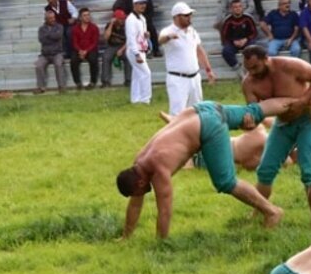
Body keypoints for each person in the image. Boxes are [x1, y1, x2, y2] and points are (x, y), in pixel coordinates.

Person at [115, 98, 295, 239]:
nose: (139, 195)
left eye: (138, 191)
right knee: (254, 111)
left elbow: (165, 210)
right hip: (202, 108)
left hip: (207, 125)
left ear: (139, 182)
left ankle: (272, 212)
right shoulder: (139, 162)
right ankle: (300, 100)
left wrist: (161, 242)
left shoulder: (157, 169)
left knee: (225, 181)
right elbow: (135, 204)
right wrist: (126, 236)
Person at [241, 45, 311, 228]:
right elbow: (254, 111)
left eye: (255, 67)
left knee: (310, 172)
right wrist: (250, 121)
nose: (251, 73)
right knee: (265, 170)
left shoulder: (291, 65)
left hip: (308, 120)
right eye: (248, 69)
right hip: (282, 124)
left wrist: (304, 100)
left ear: (266, 59)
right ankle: (260, 210)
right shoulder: (249, 83)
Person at [159, 2, 215, 116]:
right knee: (177, 113)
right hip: (177, 78)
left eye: (190, 15)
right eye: (186, 15)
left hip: (194, 77)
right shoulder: (168, 31)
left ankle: (194, 133)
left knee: (197, 111)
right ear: (176, 17)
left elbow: (199, 50)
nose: (189, 18)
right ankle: (175, 134)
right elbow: (160, 40)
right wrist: (169, 37)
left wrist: (208, 70)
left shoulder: (192, 31)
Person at [126, 0, 153, 104]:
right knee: (146, 73)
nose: (143, 6)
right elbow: (131, 38)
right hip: (135, 51)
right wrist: (136, 54)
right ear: (134, 5)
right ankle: (145, 99)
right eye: (140, 3)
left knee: (137, 75)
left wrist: (146, 36)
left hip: (141, 50)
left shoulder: (142, 18)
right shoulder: (130, 19)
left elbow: (140, 36)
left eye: (144, 3)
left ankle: (135, 99)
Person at [220, 0, 258, 75]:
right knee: (226, 51)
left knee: (253, 48)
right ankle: (237, 67)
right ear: (231, 9)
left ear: (242, 7)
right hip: (233, 43)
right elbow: (224, 36)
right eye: (235, 7)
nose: (238, 8)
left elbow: (254, 33)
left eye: (239, 6)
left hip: (246, 41)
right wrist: (233, 41)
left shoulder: (248, 18)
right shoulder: (228, 20)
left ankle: (250, 67)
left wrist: (246, 39)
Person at [35, 10, 66, 94]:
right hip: (45, 54)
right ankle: (41, 87)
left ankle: (61, 87)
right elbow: (42, 40)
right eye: (50, 18)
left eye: (53, 18)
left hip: (57, 53)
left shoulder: (60, 26)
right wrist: (52, 36)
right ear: (46, 19)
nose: (53, 19)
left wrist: (48, 35)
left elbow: (58, 36)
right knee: (38, 65)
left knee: (59, 64)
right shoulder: (41, 29)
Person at [70, 8, 100, 90]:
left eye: (88, 15)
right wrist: (80, 51)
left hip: (90, 50)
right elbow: (74, 42)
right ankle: (78, 83)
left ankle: (92, 82)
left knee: (93, 59)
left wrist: (86, 51)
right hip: (78, 50)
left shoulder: (94, 28)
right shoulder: (75, 29)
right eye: (84, 15)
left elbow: (94, 42)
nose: (87, 17)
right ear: (80, 17)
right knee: (73, 61)